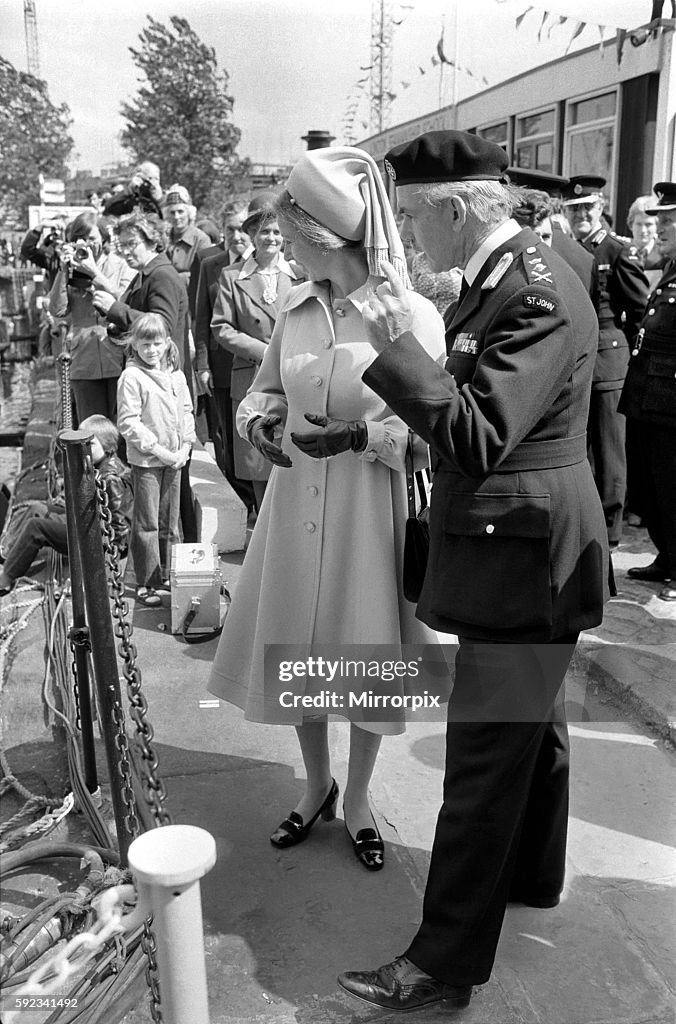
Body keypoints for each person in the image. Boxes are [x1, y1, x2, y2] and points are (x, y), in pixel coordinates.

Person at [337, 130, 607, 1010]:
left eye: (416, 218)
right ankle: (533, 874)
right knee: (537, 739)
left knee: (484, 769)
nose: (412, 238)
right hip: (522, 558)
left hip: (522, 568)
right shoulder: (505, 277)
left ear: (457, 208)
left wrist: (393, 345)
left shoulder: (530, 292)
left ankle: (441, 963)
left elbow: (477, 435)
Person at [207, 146, 446, 872]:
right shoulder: (297, 305)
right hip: (293, 500)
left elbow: (436, 426)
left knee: (364, 652)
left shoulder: (410, 314)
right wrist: (260, 424)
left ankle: (362, 796)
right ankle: (318, 784)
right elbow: (264, 389)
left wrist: (365, 435)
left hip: (367, 509)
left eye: (293, 233)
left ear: (321, 236)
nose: (285, 245)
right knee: (300, 649)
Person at [563, 175, 649, 550]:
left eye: (587, 208)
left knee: (611, 452)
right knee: (580, 450)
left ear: (600, 208)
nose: (581, 214)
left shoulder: (615, 250)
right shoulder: (568, 250)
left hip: (609, 361)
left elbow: (640, 308)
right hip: (576, 362)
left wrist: (627, 356)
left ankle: (611, 532)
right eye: (574, 209)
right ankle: (588, 522)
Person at [209, 195, 299, 512]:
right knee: (259, 465)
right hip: (252, 381)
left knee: (295, 463)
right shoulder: (233, 277)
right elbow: (221, 327)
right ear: (250, 235)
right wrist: (265, 351)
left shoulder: (300, 274)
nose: (271, 238)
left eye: (276, 232)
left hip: (295, 381)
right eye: (264, 232)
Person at [0, 415, 132, 596]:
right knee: (36, 509)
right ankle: (9, 555)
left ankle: (6, 577)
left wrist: (111, 558)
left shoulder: (111, 478)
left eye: (89, 445)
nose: (83, 449)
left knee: (36, 528)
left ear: (108, 446)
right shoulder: (98, 464)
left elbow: (119, 525)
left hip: (94, 540)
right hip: (87, 522)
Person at [620, 183, 676, 601]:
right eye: (659, 220)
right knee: (652, 486)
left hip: (670, 406)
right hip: (650, 401)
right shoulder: (670, 268)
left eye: (670, 221)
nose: (660, 229)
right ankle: (668, 557)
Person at [116, 313, 195, 607]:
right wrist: (161, 451)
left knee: (171, 521)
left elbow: (186, 411)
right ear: (134, 344)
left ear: (166, 344)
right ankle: (146, 581)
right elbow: (129, 423)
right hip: (149, 462)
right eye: (145, 343)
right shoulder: (131, 377)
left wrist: (185, 447)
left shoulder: (176, 375)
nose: (151, 350)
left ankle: (170, 574)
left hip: (175, 459)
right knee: (147, 522)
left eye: (157, 343)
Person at [190, 204, 256, 501]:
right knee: (226, 433)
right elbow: (200, 318)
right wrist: (202, 365)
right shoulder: (210, 264)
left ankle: (258, 493)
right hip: (221, 364)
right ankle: (238, 495)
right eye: (230, 229)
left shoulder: (263, 265)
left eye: (242, 229)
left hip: (255, 362)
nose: (236, 235)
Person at [48, 212, 135, 424]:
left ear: (103, 239)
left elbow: (127, 300)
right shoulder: (70, 270)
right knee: (91, 429)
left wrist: (95, 273)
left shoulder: (120, 265)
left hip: (117, 355)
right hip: (84, 360)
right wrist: (63, 271)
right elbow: (58, 310)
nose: (87, 245)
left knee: (123, 424)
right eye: (81, 239)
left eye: (92, 239)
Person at [162, 184, 210, 294]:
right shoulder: (164, 238)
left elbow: (204, 275)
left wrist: (174, 279)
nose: (176, 217)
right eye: (172, 212)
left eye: (180, 211)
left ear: (189, 213)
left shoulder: (201, 240)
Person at [626, 194, 665, 289]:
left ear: (657, 226)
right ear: (631, 225)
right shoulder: (622, 252)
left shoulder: (664, 255)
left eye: (648, 224)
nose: (643, 230)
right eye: (639, 224)